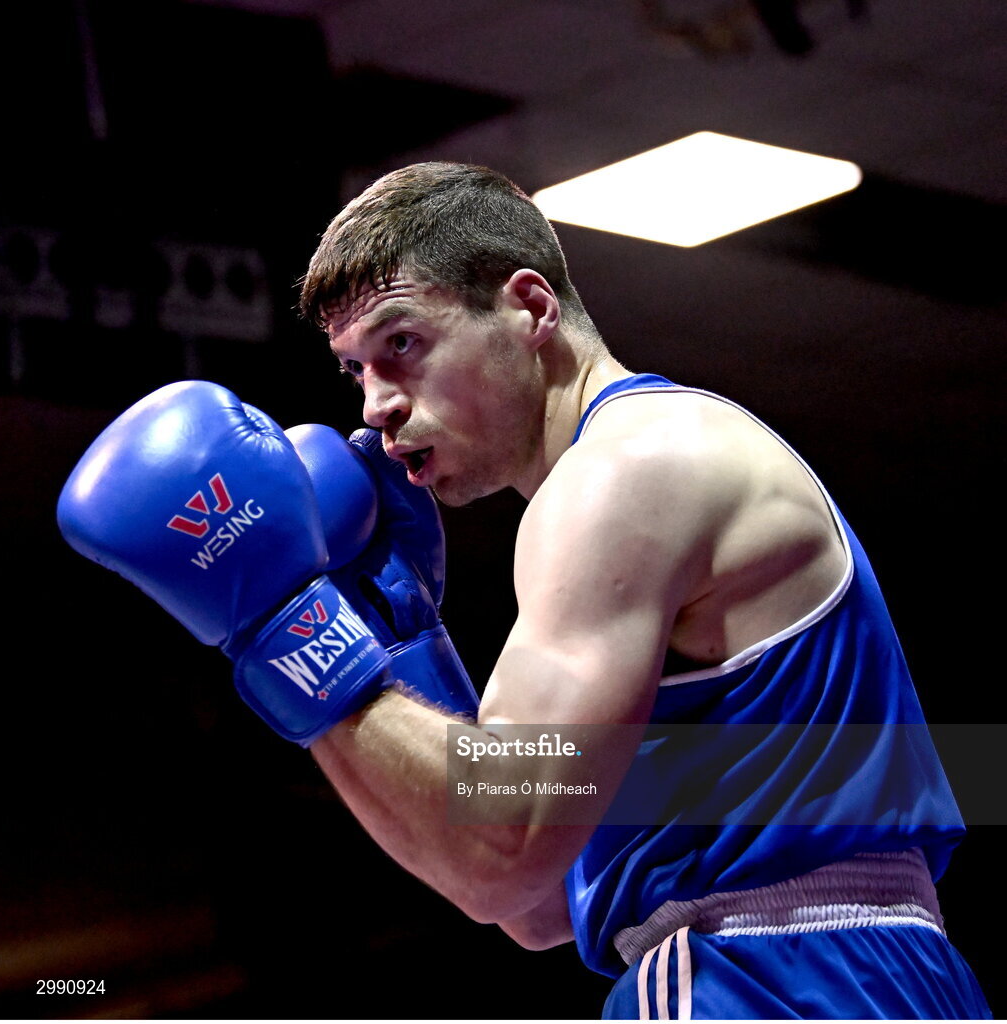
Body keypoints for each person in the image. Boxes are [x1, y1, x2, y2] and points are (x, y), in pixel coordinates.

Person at [58, 161, 990, 1019]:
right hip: (876, 974)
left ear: (529, 307)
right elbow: (539, 905)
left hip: (759, 974)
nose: (376, 403)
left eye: (404, 343)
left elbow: (496, 854)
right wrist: (404, 648)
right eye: (356, 369)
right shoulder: (660, 466)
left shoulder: (625, 474)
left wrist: (285, 625)